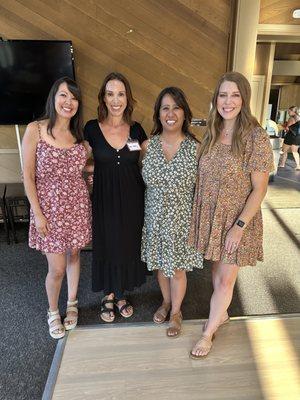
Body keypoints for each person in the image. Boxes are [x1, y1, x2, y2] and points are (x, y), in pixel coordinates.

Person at [188, 71, 274, 358]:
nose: (228, 101)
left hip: (238, 218)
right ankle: (220, 313)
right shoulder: (212, 132)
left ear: (244, 99)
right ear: (216, 99)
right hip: (212, 217)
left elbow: (259, 189)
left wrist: (239, 226)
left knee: (225, 279)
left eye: (235, 95)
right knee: (216, 271)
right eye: (223, 95)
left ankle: (207, 333)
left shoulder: (255, 136)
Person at [22, 77, 92, 339]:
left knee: (75, 256)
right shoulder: (36, 129)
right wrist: (38, 214)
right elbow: (28, 175)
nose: (68, 102)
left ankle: (72, 303)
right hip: (48, 210)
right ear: (54, 98)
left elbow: (80, 168)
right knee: (57, 268)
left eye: (74, 98)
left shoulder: (78, 135)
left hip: (76, 206)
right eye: (64, 95)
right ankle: (53, 311)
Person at [84, 72, 147, 323]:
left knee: (126, 242)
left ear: (127, 98)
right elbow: (77, 158)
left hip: (133, 198)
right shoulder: (91, 128)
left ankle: (121, 294)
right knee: (108, 242)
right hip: (105, 198)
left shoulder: (137, 130)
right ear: (103, 98)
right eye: (110, 94)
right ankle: (108, 294)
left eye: (120, 94)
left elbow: (153, 160)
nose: (115, 100)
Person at [141, 87, 203, 338]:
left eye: (176, 107)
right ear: (158, 114)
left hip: (181, 220)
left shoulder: (196, 149)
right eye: (165, 108)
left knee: (177, 269)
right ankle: (165, 302)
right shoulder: (147, 146)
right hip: (154, 218)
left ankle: (176, 312)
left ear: (184, 113)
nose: (170, 113)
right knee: (159, 267)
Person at [279, 106, 300, 170]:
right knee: (295, 152)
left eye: (289, 111)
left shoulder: (291, 118)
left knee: (284, 151)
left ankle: (282, 164)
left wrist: (282, 126)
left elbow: (288, 128)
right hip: (298, 136)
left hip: (290, 136)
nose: (288, 112)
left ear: (293, 111)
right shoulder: (299, 117)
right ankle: (298, 166)